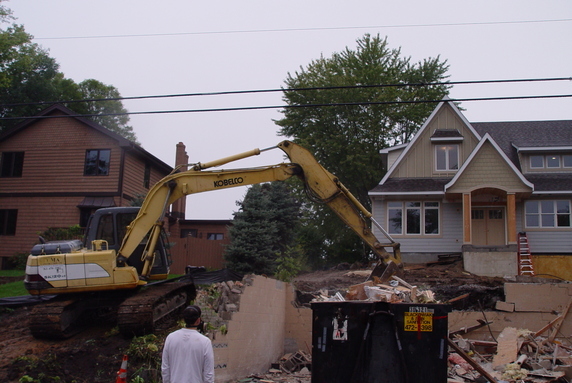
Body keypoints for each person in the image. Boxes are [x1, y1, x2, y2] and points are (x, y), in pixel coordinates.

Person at [161, 305, 214, 383]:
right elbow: (208, 374)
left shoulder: (171, 338)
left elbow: (165, 368)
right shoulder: (205, 342)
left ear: (184, 320)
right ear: (198, 320)